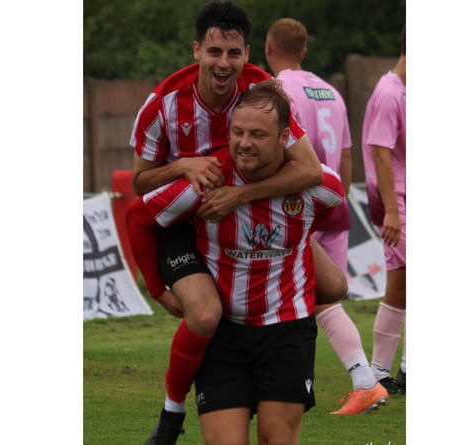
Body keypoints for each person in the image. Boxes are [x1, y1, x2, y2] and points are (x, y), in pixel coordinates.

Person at [127, 2, 348, 443]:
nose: (223, 64)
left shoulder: (265, 95)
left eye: (232, 53)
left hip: (240, 203)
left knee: (336, 287)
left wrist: (241, 197)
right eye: (213, 52)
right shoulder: (163, 105)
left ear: (248, 54)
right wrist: (182, 166)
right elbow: (138, 185)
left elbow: (308, 170)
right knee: (206, 314)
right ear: (197, 51)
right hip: (188, 213)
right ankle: (172, 414)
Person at [264, 17, 389, 415]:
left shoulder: (278, 91)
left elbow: (281, 150)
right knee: (313, 299)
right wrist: (338, 202)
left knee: (310, 300)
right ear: (304, 50)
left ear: (268, 49)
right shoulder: (331, 91)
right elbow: (347, 155)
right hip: (331, 202)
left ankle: (365, 381)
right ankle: (325, 383)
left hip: (299, 204)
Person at [361, 25, 406, 395]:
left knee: (401, 287)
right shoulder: (390, 92)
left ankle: (379, 373)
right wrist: (391, 210)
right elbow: (380, 151)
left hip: (406, 201)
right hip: (401, 204)